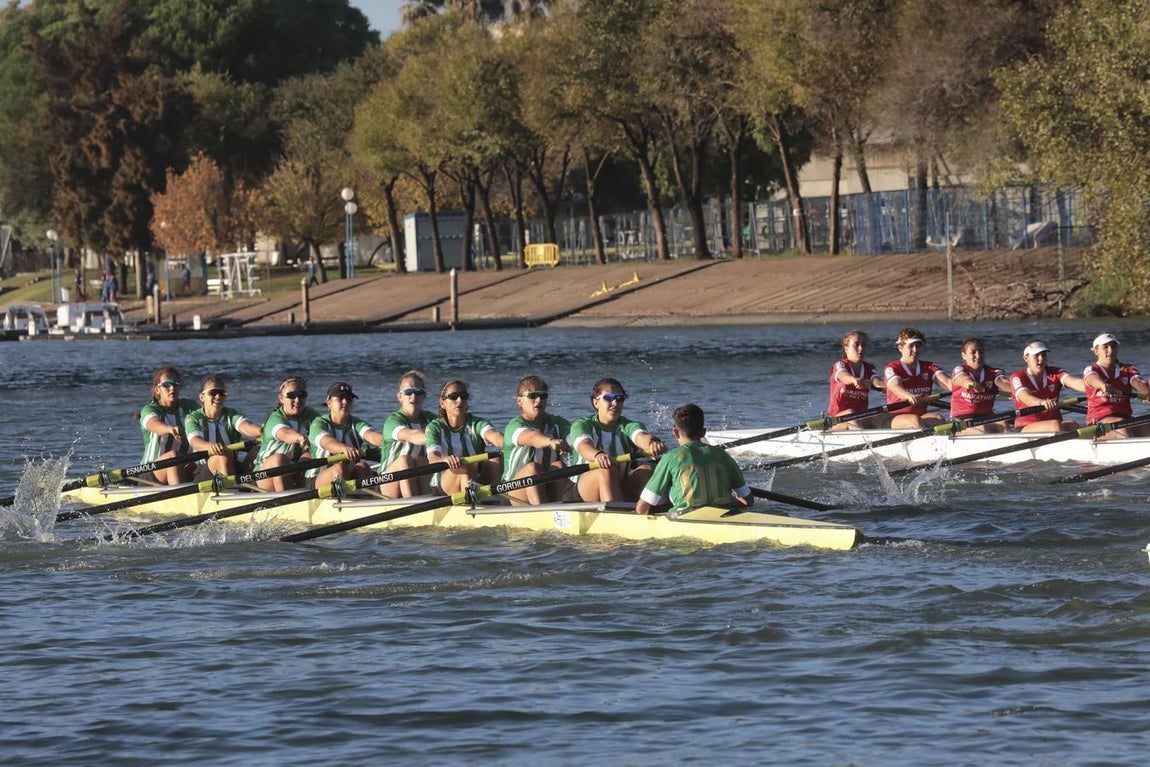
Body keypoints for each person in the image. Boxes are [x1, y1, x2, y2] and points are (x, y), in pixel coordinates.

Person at [636, 403, 752, 516]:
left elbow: (641, 509)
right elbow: (748, 501)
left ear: (675, 432)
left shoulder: (670, 458)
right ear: (703, 432)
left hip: (685, 518)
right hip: (724, 515)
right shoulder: (723, 455)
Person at [569, 378, 667, 502]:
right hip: (580, 492)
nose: (615, 403)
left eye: (620, 399)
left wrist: (652, 444)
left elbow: (641, 436)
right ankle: (617, 512)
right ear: (596, 403)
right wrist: (597, 455)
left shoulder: (629, 426)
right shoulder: (582, 425)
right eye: (609, 398)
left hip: (617, 487)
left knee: (646, 471)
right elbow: (584, 446)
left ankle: (651, 512)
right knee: (606, 471)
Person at [425, 380, 504, 495]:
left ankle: (498, 502)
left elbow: (494, 436)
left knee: (496, 460)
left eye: (464, 396)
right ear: (442, 403)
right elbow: (433, 458)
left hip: (474, 479)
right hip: (443, 488)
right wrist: (444, 460)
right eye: (453, 397)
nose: (459, 400)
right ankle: (473, 505)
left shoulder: (477, 423)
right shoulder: (434, 428)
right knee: (463, 467)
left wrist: (508, 443)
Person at [502, 375, 571, 505]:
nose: (538, 400)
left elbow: (577, 439)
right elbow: (533, 438)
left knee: (559, 466)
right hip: (512, 493)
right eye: (533, 396)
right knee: (532, 469)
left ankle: (566, 510)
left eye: (543, 396)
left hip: (545, 484)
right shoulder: (514, 426)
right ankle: (542, 514)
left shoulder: (557, 423)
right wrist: (551, 442)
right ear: (519, 401)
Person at [184, 375, 264, 480]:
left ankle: (257, 487)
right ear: (202, 397)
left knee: (258, 451)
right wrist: (211, 447)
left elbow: (246, 427)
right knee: (221, 457)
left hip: (232, 465)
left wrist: (263, 431)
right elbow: (195, 442)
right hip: (203, 470)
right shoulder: (193, 418)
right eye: (213, 393)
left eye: (222, 393)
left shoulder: (231, 415)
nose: (218, 396)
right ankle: (233, 491)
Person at [306, 381, 382, 489]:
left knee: (363, 467)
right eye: (340, 398)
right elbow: (326, 442)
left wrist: (387, 441)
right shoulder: (318, 424)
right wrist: (344, 448)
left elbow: (371, 435)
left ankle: (366, 501)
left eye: (349, 399)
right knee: (340, 468)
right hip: (316, 480)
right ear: (329, 402)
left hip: (347, 477)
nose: (345, 402)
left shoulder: (356, 424)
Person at [254, 376, 321, 491]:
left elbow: (325, 430)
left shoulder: (311, 415)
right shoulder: (275, 418)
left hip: (293, 469)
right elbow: (285, 433)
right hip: (264, 477)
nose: (297, 400)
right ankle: (286, 500)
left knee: (310, 456)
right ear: (281, 398)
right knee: (280, 459)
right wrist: (298, 437)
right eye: (291, 395)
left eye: (301, 395)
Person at [1079, 332, 1150, 438]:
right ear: (1096, 351)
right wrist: (1103, 386)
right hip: (1099, 422)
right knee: (1122, 428)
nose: (1110, 351)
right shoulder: (1092, 370)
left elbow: (1138, 382)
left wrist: (1147, 392)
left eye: (1113, 346)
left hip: (1125, 420)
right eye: (1105, 347)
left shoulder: (1128, 369)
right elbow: (1092, 379)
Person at [136, 366, 198, 485]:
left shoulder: (190, 406)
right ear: (157, 389)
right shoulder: (150, 409)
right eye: (166, 385)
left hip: (183, 469)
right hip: (151, 474)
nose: (172, 388)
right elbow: (153, 425)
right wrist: (169, 429)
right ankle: (180, 497)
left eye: (176, 384)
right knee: (173, 456)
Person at [378, 370, 436, 498]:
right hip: (388, 483)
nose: (413, 396)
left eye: (418, 392)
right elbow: (412, 435)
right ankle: (412, 504)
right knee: (405, 460)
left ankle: (426, 503)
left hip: (416, 475)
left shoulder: (431, 419)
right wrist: (436, 437)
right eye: (408, 392)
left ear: (424, 396)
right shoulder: (392, 421)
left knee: (422, 461)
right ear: (399, 396)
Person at [1009, 340, 1085, 432]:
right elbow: (1025, 396)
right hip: (1025, 426)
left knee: (1072, 425)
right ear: (1026, 358)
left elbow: (1074, 382)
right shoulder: (1017, 376)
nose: (1041, 358)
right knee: (1055, 425)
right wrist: (1042, 402)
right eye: (1036, 355)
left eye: (1043, 355)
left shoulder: (1055, 373)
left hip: (1053, 423)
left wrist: (1095, 388)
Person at [883, 327, 952, 428]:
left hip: (920, 415)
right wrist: (909, 396)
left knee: (938, 418)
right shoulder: (892, 368)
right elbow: (895, 387)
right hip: (894, 417)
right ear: (900, 348)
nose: (915, 350)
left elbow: (947, 382)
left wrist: (966, 389)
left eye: (918, 346)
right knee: (915, 420)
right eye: (911, 346)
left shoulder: (929, 367)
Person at [949, 336, 1013, 434]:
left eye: (981, 352)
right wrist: (972, 384)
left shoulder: (994, 372)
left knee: (1004, 424)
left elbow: (1003, 382)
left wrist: (1014, 391)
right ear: (964, 355)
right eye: (973, 352)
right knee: (983, 429)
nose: (978, 356)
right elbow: (963, 379)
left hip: (987, 418)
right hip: (961, 420)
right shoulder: (959, 370)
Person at [828, 330, 885, 430]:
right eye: (856, 345)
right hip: (836, 420)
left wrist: (891, 387)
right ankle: (865, 441)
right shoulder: (840, 365)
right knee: (850, 413)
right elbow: (843, 376)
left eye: (863, 345)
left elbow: (877, 382)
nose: (860, 348)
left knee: (880, 415)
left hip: (859, 418)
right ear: (846, 349)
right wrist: (854, 380)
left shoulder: (869, 368)